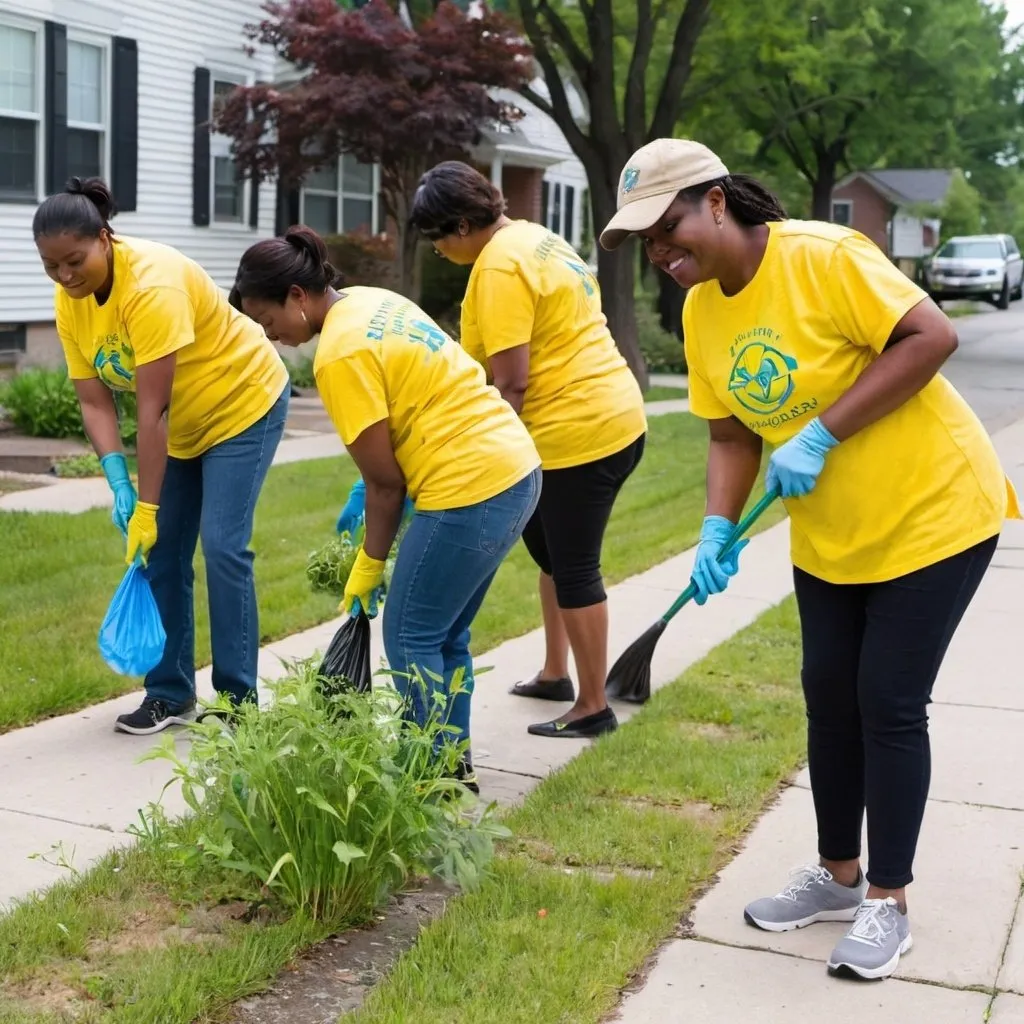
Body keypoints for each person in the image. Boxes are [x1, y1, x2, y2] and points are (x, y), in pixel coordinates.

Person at [599, 137, 1020, 980]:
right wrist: (717, 531)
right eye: (645, 240)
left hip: (933, 511)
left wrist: (823, 430)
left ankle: (887, 902)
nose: (660, 252)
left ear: (716, 200)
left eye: (668, 226)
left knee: (886, 701)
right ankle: (837, 877)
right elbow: (728, 434)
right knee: (828, 694)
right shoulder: (700, 310)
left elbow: (929, 336)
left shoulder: (824, 256)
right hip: (831, 533)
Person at [231, 227, 541, 789]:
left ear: (297, 296)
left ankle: (424, 777)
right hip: (517, 469)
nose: (269, 334)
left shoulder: (337, 355)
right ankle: (450, 766)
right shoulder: (376, 301)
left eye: (267, 319)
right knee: (445, 636)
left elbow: (385, 486)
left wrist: (369, 564)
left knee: (410, 636)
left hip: (469, 486)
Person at [33, 178, 290, 735]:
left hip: (241, 403)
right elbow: (93, 400)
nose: (66, 276)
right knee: (162, 555)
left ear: (105, 238)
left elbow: (152, 414)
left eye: (75, 261)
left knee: (223, 547)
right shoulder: (69, 300)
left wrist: (147, 507)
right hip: (181, 422)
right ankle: (170, 693)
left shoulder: (152, 285)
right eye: (52, 266)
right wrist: (117, 480)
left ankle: (239, 700)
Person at [408, 160, 647, 739]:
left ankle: (593, 706)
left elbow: (510, 381)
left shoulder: (499, 267)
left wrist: (481, 450)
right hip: (612, 415)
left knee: (574, 569)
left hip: (576, 434)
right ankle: (555, 673)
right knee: (552, 559)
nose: (439, 252)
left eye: (438, 240)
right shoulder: (537, 237)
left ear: (462, 225)